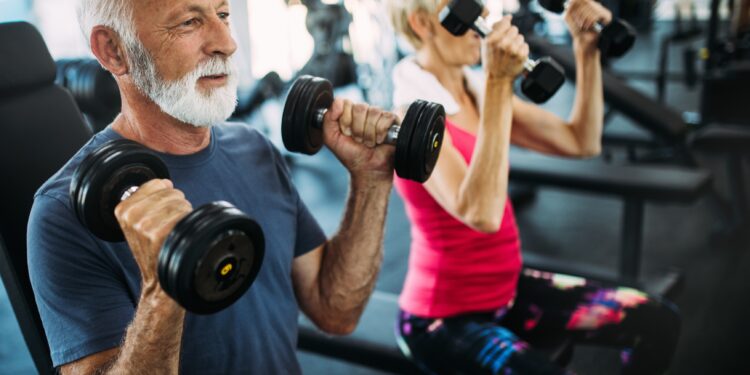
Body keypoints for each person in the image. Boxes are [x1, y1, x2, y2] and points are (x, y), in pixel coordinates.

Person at [27, 0, 400, 373]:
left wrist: (371, 179)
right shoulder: (62, 214)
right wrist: (163, 291)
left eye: (222, 15)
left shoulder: (255, 150)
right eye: (189, 22)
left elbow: (335, 310)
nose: (226, 42)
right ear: (113, 50)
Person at [387, 0, 681, 373]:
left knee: (657, 321)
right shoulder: (411, 117)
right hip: (444, 317)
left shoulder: (474, 89)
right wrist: (498, 82)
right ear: (423, 23)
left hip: (507, 289)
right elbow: (481, 213)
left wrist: (585, 50)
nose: (483, 21)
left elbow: (582, 140)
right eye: (466, 9)